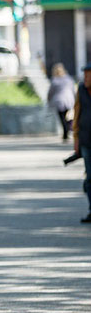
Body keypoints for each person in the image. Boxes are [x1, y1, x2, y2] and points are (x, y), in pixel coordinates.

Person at [71, 63, 91, 223]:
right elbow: (77, 114)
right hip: (85, 140)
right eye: (84, 74)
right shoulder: (81, 90)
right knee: (90, 176)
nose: (85, 78)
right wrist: (76, 138)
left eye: (88, 74)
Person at [48, 63, 76, 141]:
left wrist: (49, 100)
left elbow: (51, 92)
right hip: (69, 100)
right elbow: (73, 90)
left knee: (62, 118)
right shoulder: (69, 79)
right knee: (67, 117)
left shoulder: (54, 80)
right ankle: (67, 131)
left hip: (59, 101)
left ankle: (65, 133)